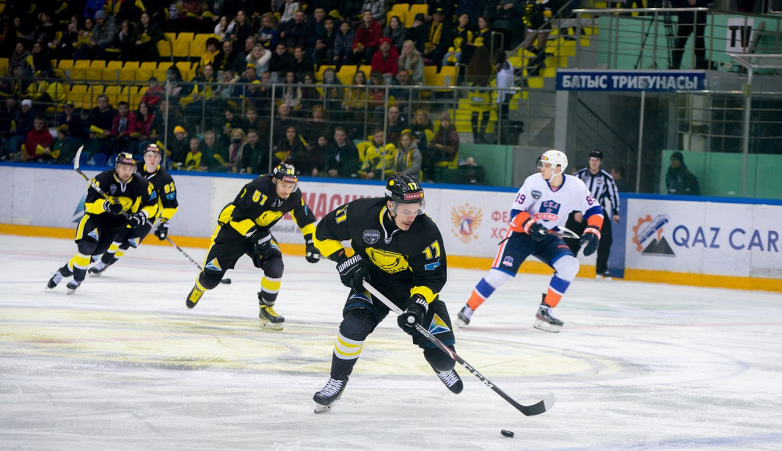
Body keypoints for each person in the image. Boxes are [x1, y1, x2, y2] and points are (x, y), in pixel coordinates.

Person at [311, 173, 463, 412]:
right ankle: (337, 380)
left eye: (416, 210)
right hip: (374, 283)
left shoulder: (426, 231)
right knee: (353, 326)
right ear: (390, 204)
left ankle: (440, 367)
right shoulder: (360, 213)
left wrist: (418, 304)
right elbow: (321, 233)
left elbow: (432, 277)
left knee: (444, 359)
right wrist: (344, 259)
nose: (412, 217)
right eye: (406, 212)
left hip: (412, 290)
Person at [455, 150, 603, 333]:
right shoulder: (533, 182)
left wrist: (593, 229)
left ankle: (545, 310)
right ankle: (468, 308)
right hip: (521, 235)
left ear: (558, 169)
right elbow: (515, 213)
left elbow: (595, 210)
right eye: (542, 164)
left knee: (570, 266)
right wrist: (531, 225)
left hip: (548, 236)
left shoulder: (576, 186)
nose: (542, 168)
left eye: (547, 166)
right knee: (499, 276)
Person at [185, 163, 321, 330]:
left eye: (291, 186)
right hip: (232, 232)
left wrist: (311, 243)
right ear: (274, 180)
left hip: (259, 234)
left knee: (275, 264)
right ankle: (200, 286)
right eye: (283, 185)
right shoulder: (259, 188)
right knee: (210, 280)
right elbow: (236, 217)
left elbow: (305, 218)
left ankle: (266, 307)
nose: (287, 190)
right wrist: (258, 236)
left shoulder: (293, 196)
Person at [46, 153, 158, 293]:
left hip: (114, 227)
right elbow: (89, 204)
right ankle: (78, 279)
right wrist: (106, 205)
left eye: (130, 169)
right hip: (94, 220)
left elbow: (153, 205)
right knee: (86, 247)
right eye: (124, 168)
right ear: (117, 167)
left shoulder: (142, 184)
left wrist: (141, 215)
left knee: (90, 256)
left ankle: (61, 273)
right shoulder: (102, 179)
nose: (127, 172)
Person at [88, 145, 179, 276]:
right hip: (130, 211)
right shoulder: (133, 169)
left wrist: (164, 223)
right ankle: (102, 260)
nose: (152, 159)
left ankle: (107, 263)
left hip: (148, 216)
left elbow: (170, 204)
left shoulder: (165, 179)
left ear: (160, 158)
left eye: (155, 156)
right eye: (149, 156)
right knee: (118, 235)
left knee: (128, 242)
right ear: (144, 157)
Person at [565, 149, 621, 280]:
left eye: (596, 160)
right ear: (589, 161)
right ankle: (565, 266)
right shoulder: (579, 175)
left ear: (600, 162)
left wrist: (615, 212)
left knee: (606, 239)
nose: (594, 162)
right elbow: (570, 193)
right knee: (571, 239)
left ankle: (602, 269)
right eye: (592, 160)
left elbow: (613, 194)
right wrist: (576, 210)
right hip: (579, 211)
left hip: (597, 212)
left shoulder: (606, 178)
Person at [670, 0, 715, 70]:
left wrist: (697, 1)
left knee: (699, 42)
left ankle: (699, 65)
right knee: (680, 42)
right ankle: (675, 66)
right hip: (684, 17)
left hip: (698, 17)